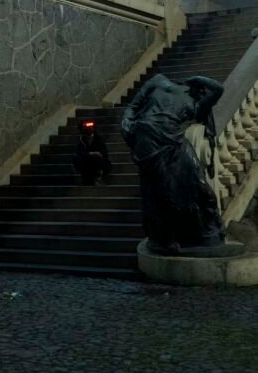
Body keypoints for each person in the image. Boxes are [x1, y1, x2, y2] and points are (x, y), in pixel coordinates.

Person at [121, 73, 225, 252]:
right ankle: (167, 237)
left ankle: (213, 230)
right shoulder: (158, 80)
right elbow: (133, 106)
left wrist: (199, 78)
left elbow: (218, 89)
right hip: (147, 139)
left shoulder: (197, 105)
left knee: (202, 188)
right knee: (161, 191)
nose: (203, 92)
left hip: (175, 143)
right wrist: (126, 121)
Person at [72, 119, 111, 185]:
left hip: (99, 164)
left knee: (96, 158)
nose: (89, 130)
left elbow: (103, 154)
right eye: (87, 129)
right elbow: (79, 153)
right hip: (86, 165)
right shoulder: (82, 141)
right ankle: (87, 178)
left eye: (91, 128)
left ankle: (98, 177)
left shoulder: (99, 140)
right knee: (76, 158)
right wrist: (92, 153)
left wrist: (91, 155)